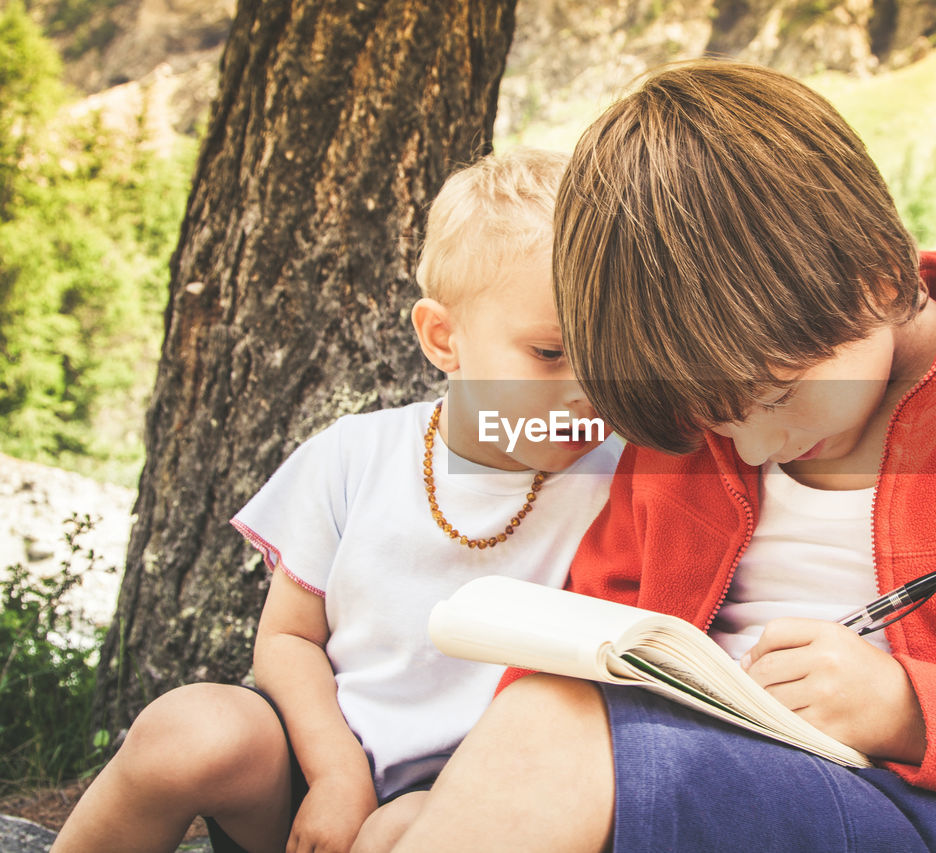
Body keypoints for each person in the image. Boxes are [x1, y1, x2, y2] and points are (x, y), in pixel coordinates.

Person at [388, 61, 936, 853]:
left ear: (872, 278)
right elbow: (578, 634)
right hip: (693, 779)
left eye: (779, 395)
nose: (752, 444)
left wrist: (911, 711)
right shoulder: (702, 428)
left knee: (543, 741)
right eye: (713, 420)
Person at [52, 148, 621, 853]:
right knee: (187, 728)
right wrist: (335, 774)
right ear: (444, 337)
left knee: (398, 831)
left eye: (610, 348)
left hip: (476, 799)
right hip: (317, 771)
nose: (587, 386)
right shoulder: (356, 455)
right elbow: (288, 639)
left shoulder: (624, 481)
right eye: (550, 352)